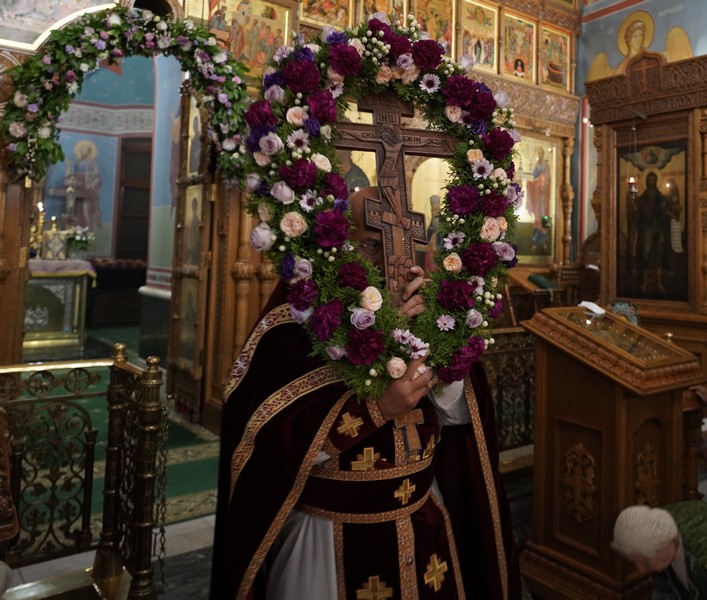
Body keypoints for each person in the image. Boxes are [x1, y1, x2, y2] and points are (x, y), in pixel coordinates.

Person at [210, 188, 522, 599]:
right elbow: (266, 441)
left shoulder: (428, 311)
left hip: (423, 520)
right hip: (329, 534)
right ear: (340, 245)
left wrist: (439, 349)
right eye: (372, 245)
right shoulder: (300, 320)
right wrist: (378, 407)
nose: (391, 260)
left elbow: (460, 420)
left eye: (404, 245)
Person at [611, 502, 707, 599]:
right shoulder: (657, 523)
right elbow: (664, 592)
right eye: (634, 561)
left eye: (645, 562)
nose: (641, 570)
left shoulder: (701, 559)